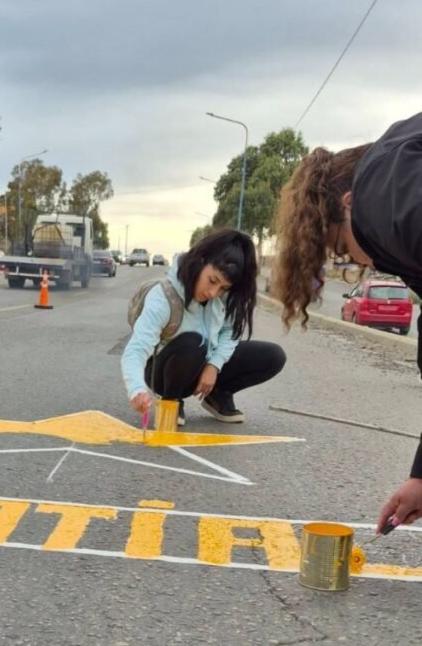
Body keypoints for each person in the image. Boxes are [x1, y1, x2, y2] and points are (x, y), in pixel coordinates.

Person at [274, 112, 422, 532]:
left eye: (340, 247)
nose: (358, 261)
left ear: (347, 203)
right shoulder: (395, 174)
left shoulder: (380, 199)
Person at [122, 229, 286, 427]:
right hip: (164, 369)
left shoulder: (221, 297)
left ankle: (217, 395)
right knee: (193, 343)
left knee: (273, 356)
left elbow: (230, 332)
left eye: (223, 288)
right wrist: (136, 389)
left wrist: (214, 366)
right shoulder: (164, 297)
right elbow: (136, 349)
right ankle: (171, 400)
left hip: (203, 363)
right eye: (212, 280)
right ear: (200, 262)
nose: (213, 292)